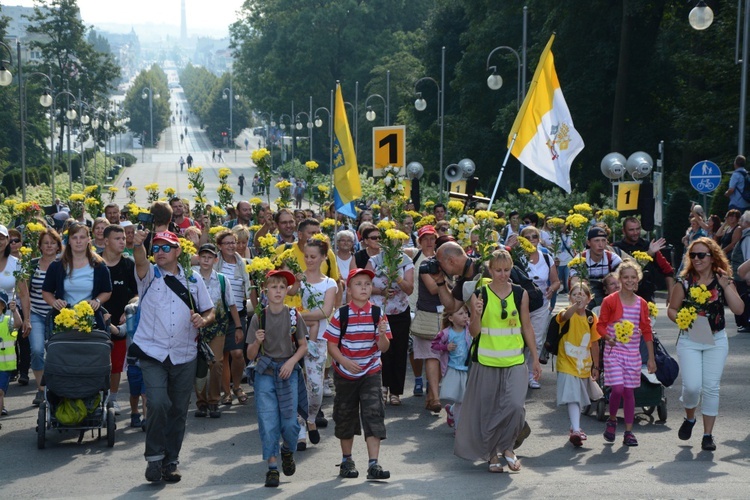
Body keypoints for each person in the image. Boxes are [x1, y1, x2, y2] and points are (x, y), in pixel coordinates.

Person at [130, 229, 214, 483]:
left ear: (178, 251)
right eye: (156, 248)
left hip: (184, 354)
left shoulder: (193, 279)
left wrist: (203, 319)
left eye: (166, 247)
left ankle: (171, 461)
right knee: (157, 403)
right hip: (152, 352)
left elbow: (210, 310)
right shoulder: (149, 275)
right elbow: (140, 260)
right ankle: (154, 458)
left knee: (178, 410)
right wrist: (138, 245)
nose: (160, 252)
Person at [455, 249, 541, 473]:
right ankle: (493, 454)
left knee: (514, 407)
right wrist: (475, 313)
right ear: (490, 270)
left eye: (506, 270)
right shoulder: (481, 293)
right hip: (487, 361)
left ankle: (508, 447)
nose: (503, 274)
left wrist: (535, 358)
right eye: (498, 270)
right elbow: (474, 333)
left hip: (514, 360)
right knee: (489, 410)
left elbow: (527, 327)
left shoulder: (520, 293)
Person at [667, 237, 744, 451]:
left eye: (701, 255)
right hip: (690, 339)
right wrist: (682, 318)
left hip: (716, 339)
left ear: (712, 257)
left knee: (711, 388)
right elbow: (672, 309)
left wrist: (725, 286)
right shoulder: (684, 282)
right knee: (692, 387)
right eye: (693, 255)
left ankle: (708, 435)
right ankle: (690, 417)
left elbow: (739, 309)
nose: (697, 259)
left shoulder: (723, 279)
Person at [323, 268, 392, 480]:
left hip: (370, 370)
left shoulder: (378, 313)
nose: (364, 287)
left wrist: (381, 335)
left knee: (373, 414)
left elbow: (384, 348)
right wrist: (344, 361)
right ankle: (347, 461)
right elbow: (331, 345)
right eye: (358, 284)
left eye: (367, 284)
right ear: (350, 290)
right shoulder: (341, 314)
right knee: (345, 416)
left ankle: (374, 464)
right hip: (345, 373)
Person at [247, 269, 308, 488]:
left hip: (287, 371)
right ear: (265, 291)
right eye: (274, 287)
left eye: (282, 287)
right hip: (265, 372)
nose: (278, 291)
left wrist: (292, 362)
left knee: (291, 423)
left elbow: (303, 346)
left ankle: (287, 450)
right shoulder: (259, 317)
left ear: (287, 291)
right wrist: (256, 341)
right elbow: (250, 355)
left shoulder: (293, 315)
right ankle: (272, 468)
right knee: (268, 421)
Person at [596, 260, 656, 447]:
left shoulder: (641, 304)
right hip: (614, 351)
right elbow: (600, 325)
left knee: (629, 392)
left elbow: (646, 330)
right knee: (618, 389)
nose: (630, 281)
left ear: (637, 279)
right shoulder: (610, 300)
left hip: (632, 354)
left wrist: (652, 358)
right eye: (626, 277)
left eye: (633, 277)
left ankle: (629, 432)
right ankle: (612, 419)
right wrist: (607, 337)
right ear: (620, 279)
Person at [288, 238, 337, 446]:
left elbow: (325, 312)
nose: (309, 260)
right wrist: (297, 282)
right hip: (297, 337)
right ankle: (299, 428)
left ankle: (310, 418)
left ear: (323, 257)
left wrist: (298, 317)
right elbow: (288, 292)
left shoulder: (329, 283)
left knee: (315, 387)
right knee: (296, 385)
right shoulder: (301, 279)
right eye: (306, 256)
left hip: (318, 341)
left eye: (313, 256)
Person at [365, 229, 414, 406]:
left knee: (399, 350)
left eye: (398, 241)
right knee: (382, 350)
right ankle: (382, 387)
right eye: (390, 241)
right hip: (379, 311)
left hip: (400, 311)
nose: (394, 245)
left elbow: (409, 289)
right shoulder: (374, 261)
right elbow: (363, 285)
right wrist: (381, 291)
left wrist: (397, 279)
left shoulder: (406, 262)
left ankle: (395, 391)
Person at [193, 243, 241, 419]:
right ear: (198, 258)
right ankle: (201, 403)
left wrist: (238, 326)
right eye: (203, 256)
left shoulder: (222, 279)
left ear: (215, 259)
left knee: (216, 362)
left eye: (209, 257)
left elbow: (232, 304)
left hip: (218, 327)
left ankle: (213, 401)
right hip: (196, 327)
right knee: (199, 365)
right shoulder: (191, 278)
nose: (206, 260)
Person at [554, 283, 600, 447]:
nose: (578, 297)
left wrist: (596, 366)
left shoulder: (591, 317)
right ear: (569, 298)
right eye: (574, 294)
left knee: (578, 398)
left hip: (583, 364)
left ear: (589, 299)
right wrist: (574, 306)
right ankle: (576, 429)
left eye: (582, 295)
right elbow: (565, 316)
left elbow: (594, 343)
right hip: (566, 362)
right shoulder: (565, 313)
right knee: (573, 396)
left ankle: (574, 427)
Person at [42, 223, 112, 331]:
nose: (78, 241)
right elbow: (46, 291)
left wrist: (97, 301)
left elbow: (107, 291)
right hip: (64, 321)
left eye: (82, 237)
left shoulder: (99, 266)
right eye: (74, 238)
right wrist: (54, 302)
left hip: (90, 321)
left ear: (89, 239)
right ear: (69, 241)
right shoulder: (57, 265)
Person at [101, 225, 138, 416]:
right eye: (117, 238)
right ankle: (97, 397)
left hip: (121, 326)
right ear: (106, 241)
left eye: (123, 238)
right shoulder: (95, 264)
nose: (123, 241)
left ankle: (112, 399)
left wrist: (129, 308)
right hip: (97, 323)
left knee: (116, 365)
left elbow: (138, 294)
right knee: (98, 363)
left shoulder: (129, 264)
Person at [404, 225, 442, 410]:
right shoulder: (414, 254)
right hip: (414, 307)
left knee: (436, 351)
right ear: (419, 240)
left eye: (432, 238)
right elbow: (394, 250)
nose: (429, 241)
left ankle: (431, 391)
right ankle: (419, 379)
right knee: (415, 349)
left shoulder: (442, 257)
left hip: (438, 310)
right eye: (425, 238)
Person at [518, 225, 560, 388]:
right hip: (521, 303)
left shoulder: (546, 257)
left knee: (537, 339)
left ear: (539, 239)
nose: (531, 240)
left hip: (541, 302)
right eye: (526, 237)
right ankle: (517, 372)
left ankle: (531, 374)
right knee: (520, 339)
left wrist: (552, 289)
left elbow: (556, 281)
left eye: (534, 236)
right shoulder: (517, 258)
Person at [215, 230, 251, 406]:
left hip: (239, 314)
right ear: (220, 246)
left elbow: (250, 288)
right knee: (222, 356)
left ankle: (237, 386)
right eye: (227, 243)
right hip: (219, 315)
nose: (231, 246)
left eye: (233, 242)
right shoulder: (215, 264)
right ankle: (226, 392)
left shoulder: (243, 264)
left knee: (237, 353)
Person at [27, 228, 62, 406]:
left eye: (52, 243)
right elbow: (25, 292)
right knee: (37, 350)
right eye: (45, 243)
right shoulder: (32, 265)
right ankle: (41, 389)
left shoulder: (63, 264)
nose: (49, 246)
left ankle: (57, 386)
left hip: (58, 315)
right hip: (36, 314)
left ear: (58, 246)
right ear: (40, 246)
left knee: (56, 353)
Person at [612, 216, 675, 304]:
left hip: (646, 298)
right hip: (622, 298)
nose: (635, 233)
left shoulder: (649, 246)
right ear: (624, 231)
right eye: (631, 230)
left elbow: (668, 270)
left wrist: (671, 295)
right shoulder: (616, 248)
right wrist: (648, 254)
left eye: (638, 229)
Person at [431, 304, 471, 429]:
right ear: (451, 318)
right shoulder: (446, 333)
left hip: (468, 369)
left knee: (465, 400)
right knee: (461, 400)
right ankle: (459, 428)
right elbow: (433, 346)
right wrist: (445, 347)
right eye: (460, 314)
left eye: (466, 313)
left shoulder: (470, 329)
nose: (465, 316)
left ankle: (452, 411)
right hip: (453, 369)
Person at [569, 227, 622, 307]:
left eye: (603, 240)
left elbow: (621, 278)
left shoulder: (612, 258)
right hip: (587, 294)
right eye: (597, 241)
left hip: (606, 293)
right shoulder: (579, 259)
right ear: (588, 242)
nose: (600, 245)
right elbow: (574, 281)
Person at [0, 291, 22, 417]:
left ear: (3, 306)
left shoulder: (7, 321)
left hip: (4, 365)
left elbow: (18, 325)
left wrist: (14, 310)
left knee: (0, 392)